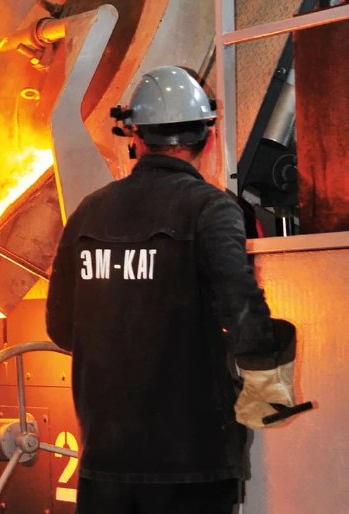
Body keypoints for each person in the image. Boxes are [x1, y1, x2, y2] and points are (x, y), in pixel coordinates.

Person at [45, 66, 299, 514]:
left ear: (135, 137)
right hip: (191, 465)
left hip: (105, 462)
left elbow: (62, 329)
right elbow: (242, 311)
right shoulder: (211, 209)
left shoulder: (88, 212)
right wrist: (263, 375)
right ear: (207, 135)